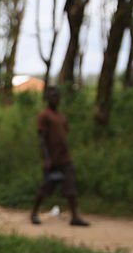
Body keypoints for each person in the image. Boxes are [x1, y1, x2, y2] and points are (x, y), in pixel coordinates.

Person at [30, 87, 89, 226]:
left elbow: (64, 134)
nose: (55, 99)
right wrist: (47, 158)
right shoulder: (44, 115)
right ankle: (33, 213)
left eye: (56, 96)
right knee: (45, 187)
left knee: (70, 187)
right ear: (47, 99)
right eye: (52, 96)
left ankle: (74, 216)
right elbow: (42, 139)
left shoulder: (61, 116)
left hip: (64, 158)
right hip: (51, 158)